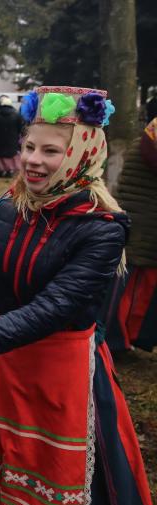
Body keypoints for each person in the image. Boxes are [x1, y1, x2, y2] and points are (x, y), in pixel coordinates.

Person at [0, 86, 155, 505]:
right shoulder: (8, 205)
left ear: (82, 152)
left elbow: (54, 309)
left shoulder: (103, 227)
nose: (33, 160)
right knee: (2, 446)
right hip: (0, 357)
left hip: (60, 368)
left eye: (50, 151)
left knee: (51, 464)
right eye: (28, 147)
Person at [102, 117, 157, 352]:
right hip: (145, 223)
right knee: (128, 285)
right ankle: (112, 340)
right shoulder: (152, 141)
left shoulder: (149, 134)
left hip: (140, 220)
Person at [0, 95, 24, 178]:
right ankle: (9, 171)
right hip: (12, 140)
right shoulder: (17, 115)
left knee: (0, 157)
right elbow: (21, 129)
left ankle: (0, 171)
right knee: (10, 156)